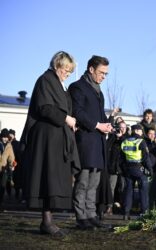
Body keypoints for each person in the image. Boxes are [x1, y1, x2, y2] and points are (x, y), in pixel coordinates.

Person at [20, 51, 80, 236]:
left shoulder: (59, 85)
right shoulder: (45, 80)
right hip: (46, 138)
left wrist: (70, 122)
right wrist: (66, 119)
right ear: (57, 65)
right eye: (65, 70)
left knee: (53, 179)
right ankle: (46, 222)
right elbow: (44, 107)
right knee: (47, 178)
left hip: (56, 137)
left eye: (70, 72)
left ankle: (48, 221)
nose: (67, 74)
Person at [69, 55, 113, 230]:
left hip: (98, 143)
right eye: (102, 72)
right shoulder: (77, 88)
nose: (104, 76)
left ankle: (91, 214)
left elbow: (99, 115)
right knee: (83, 181)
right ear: (91, 69)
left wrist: (107, 124)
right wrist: (97, 125)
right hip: (85, 142)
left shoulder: (98, 91)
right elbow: (78, 112)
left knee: (94, 183)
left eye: (106, 74)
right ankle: (81, 217)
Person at [121, 124, 152, 220]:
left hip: (128, 169)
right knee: (143, 191)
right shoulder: (141, 141)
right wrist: (150, 169)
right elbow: (146, 158)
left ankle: (126, 213)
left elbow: (121, 157)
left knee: (128, 191)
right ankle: (144, 212)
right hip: (139, 169)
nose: (142, 132)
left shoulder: (125, 141)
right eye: (141, 131)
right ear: (137, 131)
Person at [106, 120, 128, 213]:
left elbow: (127, 147)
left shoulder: (127, 138)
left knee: (123, 188)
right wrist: (113, 136)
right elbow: (106, 147)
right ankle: (109, 207)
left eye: (124, 127)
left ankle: (123, 207)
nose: (122, 129)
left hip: (123, 168)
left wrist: (121, 137)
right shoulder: (112, 138)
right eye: (120, 127)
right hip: (113, 168)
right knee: (111, 187)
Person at [0, 128, 15, 211]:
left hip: (4, 169)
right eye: (3, 137)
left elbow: (11, 157)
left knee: (2, 187)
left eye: (6, 137)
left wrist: (12, 164)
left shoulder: (9, 146)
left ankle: (0, 204)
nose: (5, 139)